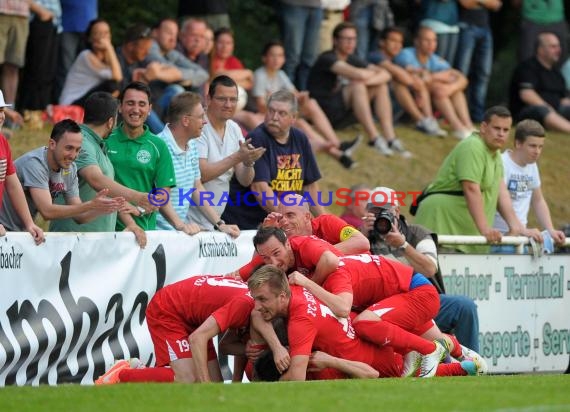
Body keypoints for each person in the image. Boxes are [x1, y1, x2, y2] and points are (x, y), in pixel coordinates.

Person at [361, 186, 482, 353]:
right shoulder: (363, 238)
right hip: (384, 305)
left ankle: (472, 364)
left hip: (422, 301)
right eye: (374, 212)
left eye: (385, 211)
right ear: (366, 213)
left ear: (396, 211)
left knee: (464, 306)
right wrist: (363, 237)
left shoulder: (416, 233)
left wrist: (403, 245)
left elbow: (430, 269)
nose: (380, 217)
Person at [414, 106, 539, 253]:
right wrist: (485, 229)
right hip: (442, 224)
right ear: (484, 127)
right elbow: (471, 188)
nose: (501, 134)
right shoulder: (473, 146)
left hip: (463, 232)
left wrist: (517, 227)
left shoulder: (495, 154)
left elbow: (501, 192)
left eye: (505, 130)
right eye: (496, 128)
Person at [247, 265, 404, 380]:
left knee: (314, 367)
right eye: (256, 299)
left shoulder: (301, 321)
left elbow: (296, 379)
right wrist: (277, 348)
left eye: (262, 299)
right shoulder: (295, 289)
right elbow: (256, 314)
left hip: (391, 367)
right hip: (378, 348)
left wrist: (270, 388)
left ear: (282, 297)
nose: (257, 306)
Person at [95, 274, 254, 384]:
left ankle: (140, 371)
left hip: (193, 317)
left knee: (215, 383)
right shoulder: (247, 305)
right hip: (168, 310)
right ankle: (121, 374)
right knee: (188, 379)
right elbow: (200, 339)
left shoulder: (254, 297)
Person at [50, 92, 155, 235]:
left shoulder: (97, 144)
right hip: (73, 242)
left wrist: (132, 224)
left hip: (94, 243)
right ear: (111, 122)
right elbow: (95, 179)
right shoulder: (81, 142)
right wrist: (137, 197)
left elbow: (108, 194)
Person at [222, 89, 326, 230]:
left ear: (293, 117)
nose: (274, 117)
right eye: (271, 111)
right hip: (248, 224)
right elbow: (260, 189)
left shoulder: (300, 138)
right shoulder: (257, 138)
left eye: (282, 113)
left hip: (280, 221)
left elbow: (310, 186)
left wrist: (322, 222)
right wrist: (289, 220)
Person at [307, 22, 411, 158]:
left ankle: (390, 138)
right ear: (335, 40)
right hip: (325, 113)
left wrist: (366, 80)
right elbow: (359, 75)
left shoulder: (353, 59)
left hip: (345, 112)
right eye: (346, 39)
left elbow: (386, 74)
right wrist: (364, 79)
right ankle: (374, 138)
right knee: (357, 85)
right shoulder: (327, 58)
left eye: (354, 39)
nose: (351, 43)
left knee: (379, 86)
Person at [0, 119, 123, 232]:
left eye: (77, 150)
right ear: (52, 144)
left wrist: (101, 208)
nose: (73, 155)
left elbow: (79, 216)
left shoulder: (70, 168)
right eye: (69, 148)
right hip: (3, 226)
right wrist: (89, 205)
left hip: (20, 232)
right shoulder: (35, 164)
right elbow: (47, 211)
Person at [253, 40, 361, 169]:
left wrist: (302, 98)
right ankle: (337, 151)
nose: (277, 59)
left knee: (311, 103)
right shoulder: (259, 75)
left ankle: (336, 145)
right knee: (302, 124)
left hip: (282, 114)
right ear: (264, 58)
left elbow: (294, 94)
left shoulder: (280, 74)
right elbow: (260, 106)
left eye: (280, 55)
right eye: (273, 55)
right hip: (267, 116)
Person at [155, 91, 239, 238]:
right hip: (156, 234)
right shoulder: (158, 146)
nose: (204, 121)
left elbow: (197, 187)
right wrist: (181, 226)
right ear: (186, 120)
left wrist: (220, 224)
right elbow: (160, 196)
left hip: (179, 234)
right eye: (200, 117)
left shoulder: (192, 144)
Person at [188, 75, 265, 231]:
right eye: (222, 99)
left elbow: (244, 180)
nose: (228, 104)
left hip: (213, 221)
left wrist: (249, 162)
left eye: (233, 99)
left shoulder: (234, 128)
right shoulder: (199, 126)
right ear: (208, 99)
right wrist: (237, 157)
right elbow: (201, 175)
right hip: (189, 221)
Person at [106, 82, 175, 235]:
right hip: (106, 231)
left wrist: (140, 209)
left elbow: (163, 194)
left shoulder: (159, 146)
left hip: (144, 233)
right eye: (130, 103)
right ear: (120, 106)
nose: (136, 109)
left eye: (142, 104)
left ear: (149, 109)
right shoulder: (105, 140)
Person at [493, 119, 566, 248]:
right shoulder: (501, 163)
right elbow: (500, 201)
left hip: (522, 237)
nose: (537, 151)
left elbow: (538, 200)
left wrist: (550, 230)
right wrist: (522, 230)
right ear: (518, 143)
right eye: (532, 146)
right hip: (501, 238)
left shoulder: (531, 166)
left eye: (540, 146)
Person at [393, 25, 474, 140]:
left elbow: (460, 77)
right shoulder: (406, 54)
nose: (431, 44)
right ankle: (458, 127)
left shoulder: (435, 59)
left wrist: (450, 87)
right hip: (411, 95)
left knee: (454, 90)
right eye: (427, 40)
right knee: (438, 88)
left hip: (428, 96)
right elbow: (412, 73)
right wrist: (438, 78)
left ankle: (468, 125)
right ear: (417, 41)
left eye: (434, 40)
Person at [369, 26, 447, 137]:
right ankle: (422, 120)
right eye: (393, 41)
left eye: (400, 42)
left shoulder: (396, 59)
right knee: (400, 82)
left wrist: (418, 84)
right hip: (375, 106)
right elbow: (398, 73)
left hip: (392, 105)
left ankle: (428, 120)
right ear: (382, 42)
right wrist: (418, 89)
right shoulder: (376, 56)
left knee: (417, 81)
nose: (397, 45)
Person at [0, 89, 44, 244]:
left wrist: (29, 223)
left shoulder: (2, 142)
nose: (1, 116)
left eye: (2, 110)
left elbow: (12, 185)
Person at [509, 32, 570, 133]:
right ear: (540, 49)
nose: (558, 50)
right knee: (542, 110)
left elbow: (563, 100)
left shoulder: (557, 74)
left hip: (555, 112)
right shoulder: (527, 68)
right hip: (527, 113)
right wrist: (549, 108)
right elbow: (527, 95)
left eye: (558, 46)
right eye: (553, 47)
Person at [148, 18, 209, 119]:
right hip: (146, 106)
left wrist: (179, 75)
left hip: (159, 108)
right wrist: (187, 77)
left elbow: (203, 74)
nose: (173, 38)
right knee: (177, 91)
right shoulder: (149, 48)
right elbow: (165, 67)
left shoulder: (171, 53)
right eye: (168, 33)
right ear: (155, 33)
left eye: (174, 35)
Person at [454, 0, 501, 123]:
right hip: (467, 26)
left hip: (485, 28)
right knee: (461, 72)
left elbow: (497, 5)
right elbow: (466, 3)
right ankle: (457, 113)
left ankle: (478, 115)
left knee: (484, 73)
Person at [209, 27, 264, 131]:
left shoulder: (233, 61)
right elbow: (216, 77)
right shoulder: (210, 59)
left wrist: (228, 78)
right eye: (221, 42)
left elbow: (249, 83)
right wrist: (247, 72)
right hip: (221, 106)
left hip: (239, 104)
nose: (225, 47)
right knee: (250, 118)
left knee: (258, 118)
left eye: (229, 43)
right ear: (214, 43)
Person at [59, 18, 122, 106]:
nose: (103, 37)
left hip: (88, 99)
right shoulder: (85, 56)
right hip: (71, 103)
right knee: (113, 86)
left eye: (106, 33)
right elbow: (117, 77)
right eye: (98, 33)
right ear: (90, 38)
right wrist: (109, 48)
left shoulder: (107, 59)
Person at [18, 0, 61, 112]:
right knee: (37, 69)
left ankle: (41, 110)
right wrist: (42, 12)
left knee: (48, 71)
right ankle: (30, 110)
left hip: (54, 23)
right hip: (38, 20)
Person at [54, 0, 98, 101]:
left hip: (90, 26)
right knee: (65, 69)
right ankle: (62, 107)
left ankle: (88, 105)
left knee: (91, 70)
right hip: (67, 25)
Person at [279, 0, 323, 91]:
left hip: (317, 5)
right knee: (291, 57)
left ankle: (305, 95)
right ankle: (286, 97)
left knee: (310, 58)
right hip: (294, 4)